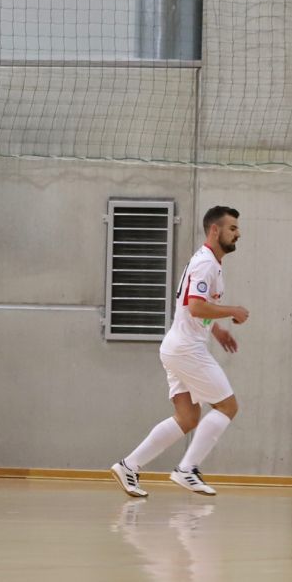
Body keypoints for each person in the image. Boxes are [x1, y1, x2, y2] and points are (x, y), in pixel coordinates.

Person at [110, 206, 250, 498]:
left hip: (177, 346)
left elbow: (193, 307)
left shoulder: (208, 262)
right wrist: (232, 311)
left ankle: (128, 466)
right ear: (215, 230)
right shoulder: (206, 264)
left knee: (187, 417)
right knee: (228, 406)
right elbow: (196, 306)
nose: (238, 233)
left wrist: (216, 329)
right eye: (232, 228)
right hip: (187, 349)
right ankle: (187, 469)